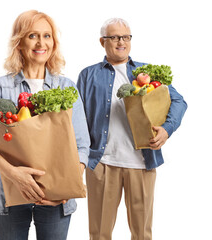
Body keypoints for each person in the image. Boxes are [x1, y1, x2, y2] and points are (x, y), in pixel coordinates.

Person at [0, 10, 90, 240]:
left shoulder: (66, 87)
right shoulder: (1, 87)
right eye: (33, 35)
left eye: (47, 36)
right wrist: (13, 174)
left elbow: (82, 145)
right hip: (8, 193)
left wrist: (66, 187)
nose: (41, 42)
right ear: (19, 42)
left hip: (56, 200)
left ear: (53, 42)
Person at [77, 18, 187, 240]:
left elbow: (179, 102)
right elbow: (76, 119)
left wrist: (166, 130)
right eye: (115, 37)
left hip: (142, 161)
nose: (121, 42)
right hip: (101, 164)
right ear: (102, 41)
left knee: (142, 234)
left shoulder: (147, 72)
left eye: (126, 37)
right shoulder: (88, 75)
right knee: (98, 234)